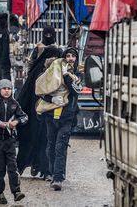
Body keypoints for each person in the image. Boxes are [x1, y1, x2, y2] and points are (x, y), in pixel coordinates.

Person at [16, 27, 61, 179]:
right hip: (33, 106)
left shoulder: (58, 54)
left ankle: (45, 170)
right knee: (30, 134)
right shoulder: (38, 52)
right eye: (46, 34)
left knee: (47, 138)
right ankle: (22, 166)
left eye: (50, 34)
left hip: (49, 107)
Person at [38, 47, 82, 191]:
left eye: (73, 56)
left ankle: (58, 178)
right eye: (67, 56)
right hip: (51, 115)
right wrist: (52, 98)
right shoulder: (52, 72)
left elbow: (75, 91)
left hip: (67, 116)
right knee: (51, 146)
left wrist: (67, 75)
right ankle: (52, 172)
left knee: (60, 146)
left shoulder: (77, 74)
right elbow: (41, 91)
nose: (70, 58)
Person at [0, 79, 28, 204]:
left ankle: (16, 192)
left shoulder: (14, 103)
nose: (7, 91)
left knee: (13, 168)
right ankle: (0, 192)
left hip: (10, 141)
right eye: (4, 89)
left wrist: (16, 122)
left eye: (9, 89)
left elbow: (24, 117)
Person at [0, 13, 11, 81]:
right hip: (2, 59)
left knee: (1, 76)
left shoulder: (2, 32)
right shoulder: (4, 32)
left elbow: (4, 48)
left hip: (1, 59)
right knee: (3, 75)